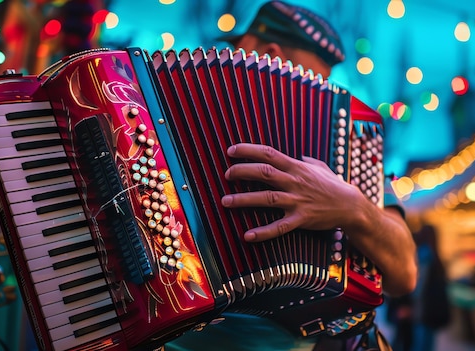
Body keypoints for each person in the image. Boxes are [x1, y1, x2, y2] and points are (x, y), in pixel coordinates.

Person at [166, 1, 417, 350]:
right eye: (312, 80)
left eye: (320, 84)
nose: (317, 94)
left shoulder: (343, 136)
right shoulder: (172, 101)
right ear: (270, 54)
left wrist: (354, 208)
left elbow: (404, 272)